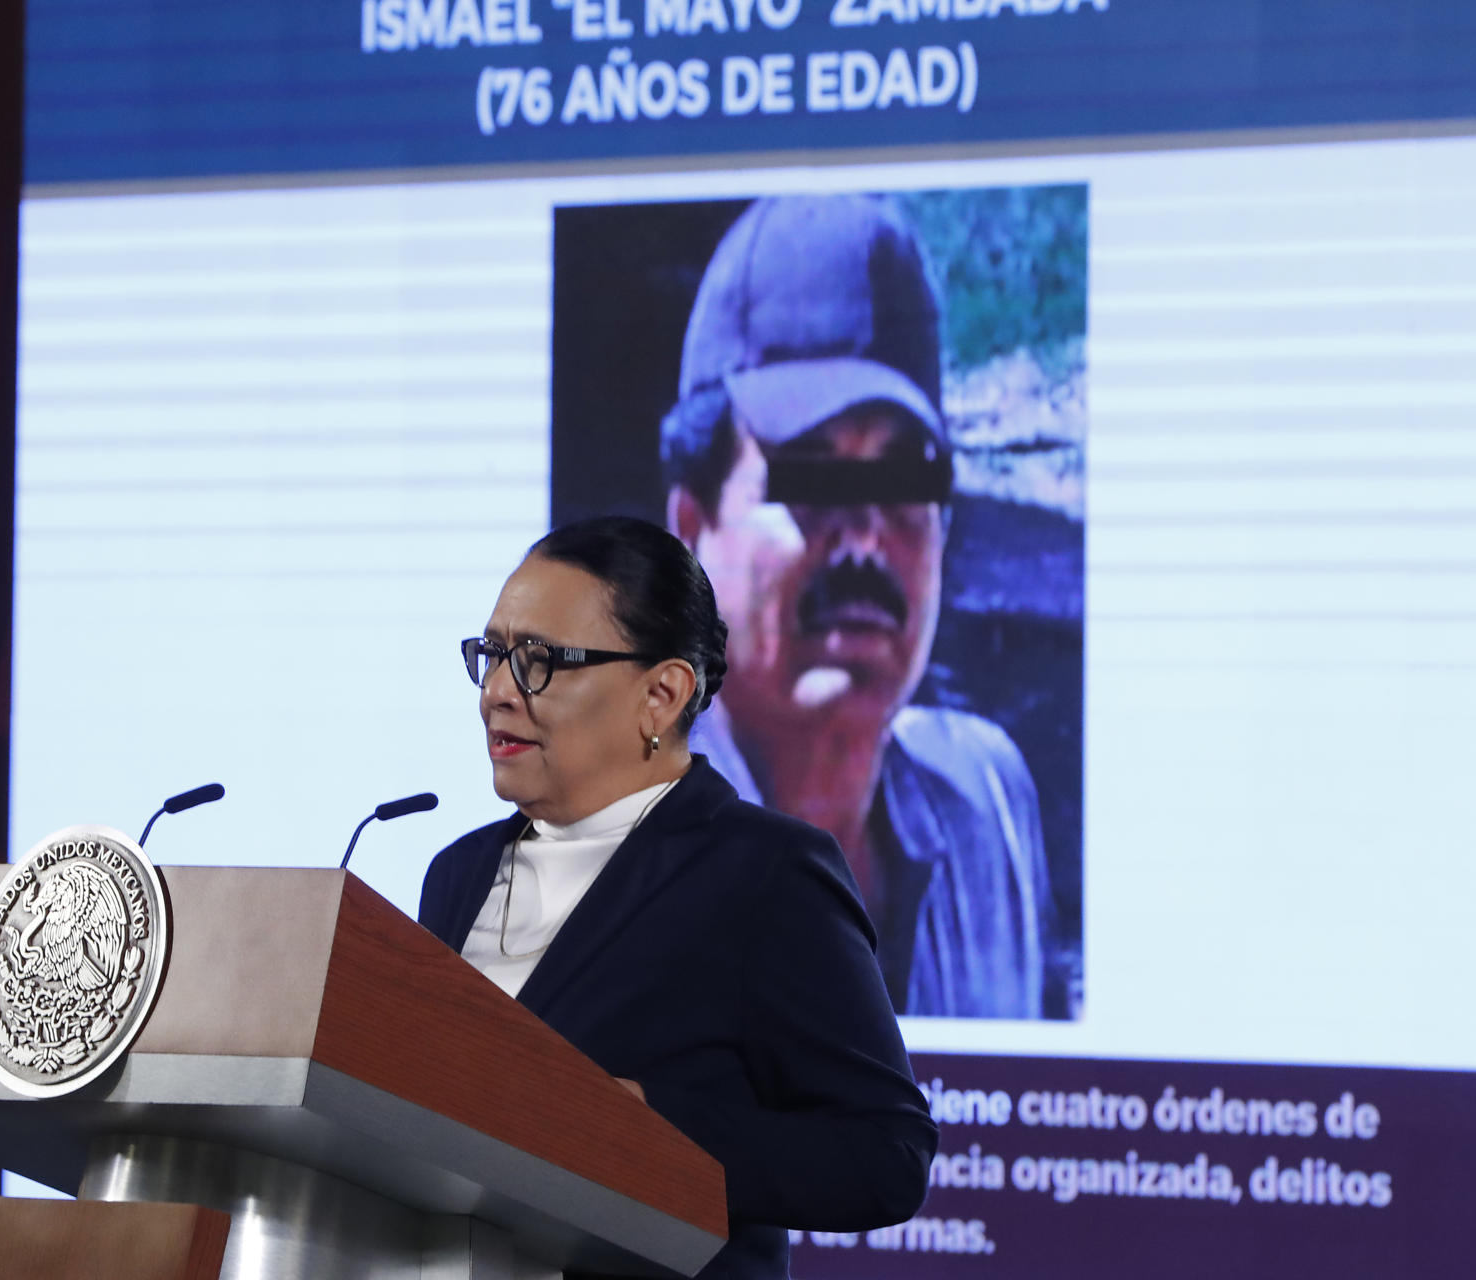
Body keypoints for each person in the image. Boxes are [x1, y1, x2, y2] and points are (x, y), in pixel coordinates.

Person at [418, 516, 938, 1280]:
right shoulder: (455, 874)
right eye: (492, 655)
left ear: (661, 695)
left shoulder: (764, 875)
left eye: (538, 661)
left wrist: (647, 1127)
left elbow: (885, 1155)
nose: (497, 691)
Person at [661, 193, 1053, 1019]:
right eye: (811, 474)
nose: (866, 541)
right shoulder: (612, 872)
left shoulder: (991, 811)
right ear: (692, 532)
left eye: (903, 474)